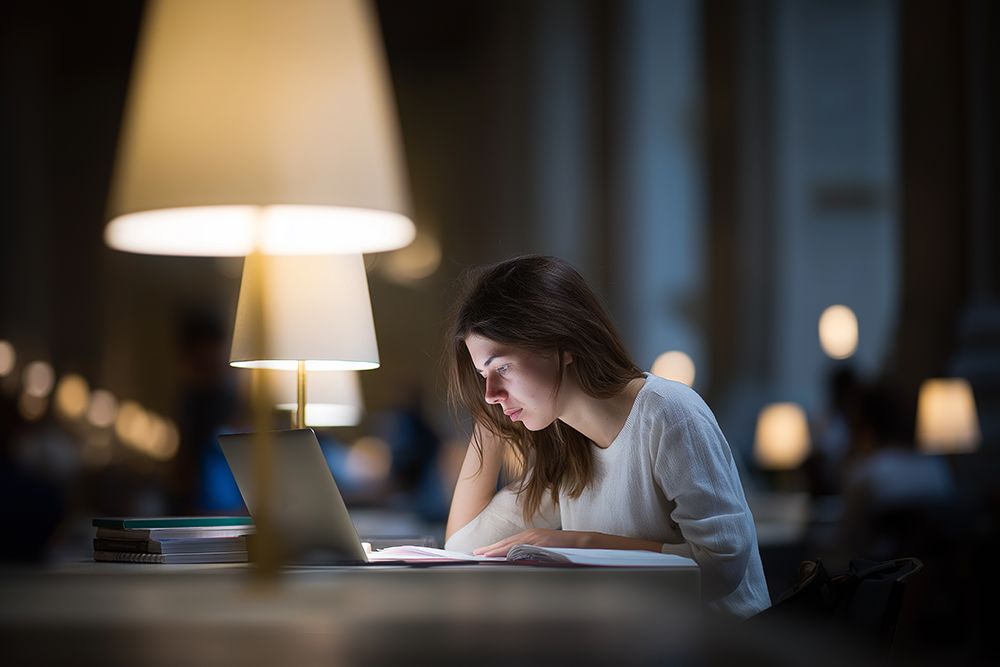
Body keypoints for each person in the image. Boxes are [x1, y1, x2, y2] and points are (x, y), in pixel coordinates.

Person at [442, 255, 770, 618]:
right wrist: (492, 419)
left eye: (502, 367)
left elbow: (722, 567)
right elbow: (463, 550)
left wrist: (578, 545)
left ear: (562, 346)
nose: (489, 391)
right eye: (482, 374)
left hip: (722, 646)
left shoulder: (667, 413)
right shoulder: (565, 445)